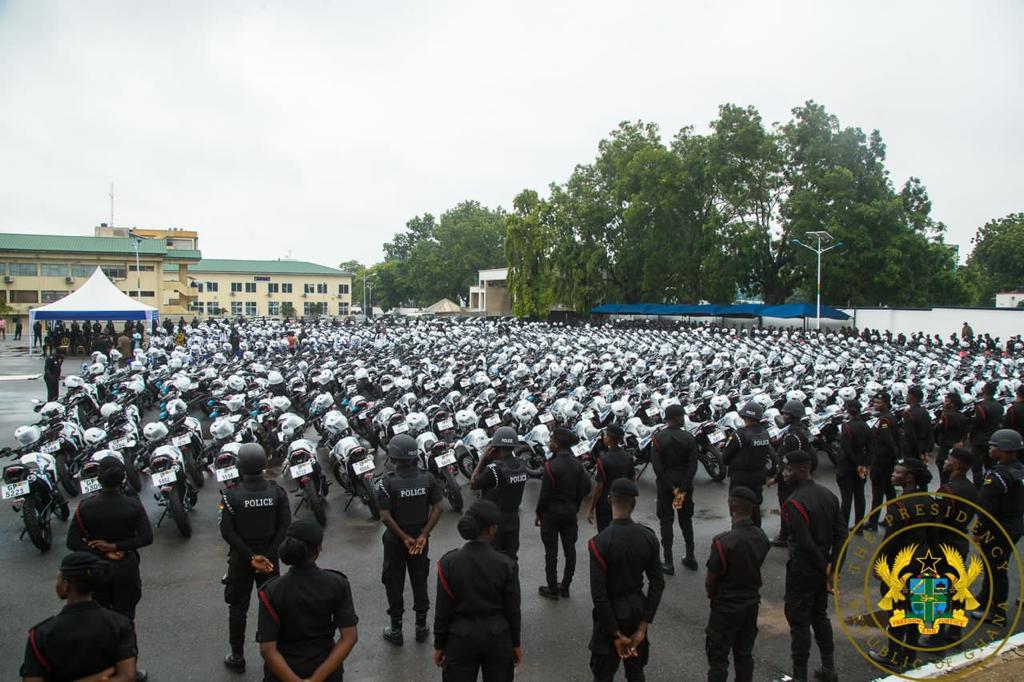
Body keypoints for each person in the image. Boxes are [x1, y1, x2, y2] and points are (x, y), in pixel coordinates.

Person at [257, 520, 359, 682]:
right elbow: (349, 637)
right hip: (326, 670)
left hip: (282, 673)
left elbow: (268, 649)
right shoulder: (337, 583)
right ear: (318, 550)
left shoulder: (271, 591)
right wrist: (316, 679)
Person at [220, 443, 292, 673]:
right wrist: (267, 554)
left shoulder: (231, 496)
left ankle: (237, 656)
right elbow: (284, 526)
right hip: (270, 560)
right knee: (271, 607)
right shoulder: (277, 492)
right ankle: (273, 654)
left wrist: (251, 556)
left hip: (242, 560)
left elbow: (227, 532)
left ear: (239, 465)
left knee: (238, 608)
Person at [433, 500, 522, 681]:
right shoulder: (506, 564)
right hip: (497, 637)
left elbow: (443, 609)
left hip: (460, 638)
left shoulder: (448, 563)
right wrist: (515, 643)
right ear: (491, 530)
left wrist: (439, 644)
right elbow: (512, 609)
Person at [588, 479, 665, 682]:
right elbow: (658, 583)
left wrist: (615, 633)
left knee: (603, 674)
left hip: (610, 616)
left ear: (609, 500)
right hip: (638, 611)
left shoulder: (600, 542)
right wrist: (643, 626)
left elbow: (599, 594)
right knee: (636, 671)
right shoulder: (648, 537)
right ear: (634, 504)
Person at [21, 552, 140, 682]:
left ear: (66, 585)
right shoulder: (120, 624)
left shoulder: (40, 635)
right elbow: (127, 676)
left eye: (59, 579)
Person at [780, 450, 846, 682]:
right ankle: (829, 669)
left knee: (799, 622)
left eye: (788, 469)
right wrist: (833, 568)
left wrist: (826, 568)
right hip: (823, 566)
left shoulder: (794, 503)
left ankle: (800, 676)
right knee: (820, 616)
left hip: (803, 569)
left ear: (802, 470)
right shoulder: (829, 495)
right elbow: (841, 535)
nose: (784, 473)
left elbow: (805, 543)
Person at [66, 456, 153, 624]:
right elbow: (146, 537)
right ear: (122, 478)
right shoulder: (133, 504)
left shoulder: (85, 506)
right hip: (127, 568)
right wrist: (116, 547)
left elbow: (73, 542)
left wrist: (102, 550)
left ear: (99, 479)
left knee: (100, 620)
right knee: (126, 618)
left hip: (97, 568)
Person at [378, 433, 444, 645]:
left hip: (396, 540)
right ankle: (421, 627)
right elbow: (438, 507)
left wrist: (404, 537)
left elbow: (385, 516)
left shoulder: (386, 482)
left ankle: (396, 630)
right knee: (420, 579)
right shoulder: (428, 478)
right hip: (420, 540)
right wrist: (422, 536)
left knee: (393, 582)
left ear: (393, 456)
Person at [868, 458, 931, 672]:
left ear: (910, 478)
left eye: (898, 472)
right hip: (925, 562)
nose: (893, 475)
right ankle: (909, 655)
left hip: (902, 565)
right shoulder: (929, 500)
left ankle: (893, 656)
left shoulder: (899, 506)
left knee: (897, 611)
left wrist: (880, 563)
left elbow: (891, 540)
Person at [705, 486, 770, 682]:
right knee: (744, 654)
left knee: (718, 659)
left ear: (731, 506)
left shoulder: (723, 542)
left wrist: (714, 596)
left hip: (726, 606)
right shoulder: (761, 537)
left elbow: (711, 581)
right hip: (750, 604)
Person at [921, 448, 978, 648]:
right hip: (959, 541)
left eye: (950, 459)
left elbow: (937, 520)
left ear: (958, 465)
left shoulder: (948, 490)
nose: (945, 460)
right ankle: (954, 631)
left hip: (944, 543)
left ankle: (935, 638)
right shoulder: (971, 488)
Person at [970, 429, 1024, 622]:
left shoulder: (997, 476)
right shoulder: (1019, 469)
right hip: (1015, 524)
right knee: (993, 566)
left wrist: (977, 531)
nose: (990, 449)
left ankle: (997, 612)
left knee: (996, 570)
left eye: (994, 446)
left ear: (1004, 449)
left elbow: (987, 510)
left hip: (998, 529)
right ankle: (985, 598)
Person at [536, 427, 591, 599]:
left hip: (551, 515)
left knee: (551, 552)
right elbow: (586, 487)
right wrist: (574, 502)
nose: (549, 443)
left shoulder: (550, 467)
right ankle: (565, 586)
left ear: (558, 444)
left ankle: (552, 588)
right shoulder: (577, 465)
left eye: (551, 440)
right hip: (570, 513)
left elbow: (544, 495)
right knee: (570, 550)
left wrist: (539, 513)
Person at [650, 404, 698, 574]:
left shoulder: (658, 438)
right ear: (675, 418)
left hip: (665, 486)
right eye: (682, 416)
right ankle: (690, 557)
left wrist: (671, 488)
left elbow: (656, 466)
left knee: (666, 522)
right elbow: (693, 465)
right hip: (684, 485)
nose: (684, 419)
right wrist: (683, 488)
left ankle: (668, 562)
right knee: (686, 521)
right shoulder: (689, 438)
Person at [469, 426, 529, 561]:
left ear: (495, 446)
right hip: (513, 519)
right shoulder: (522, 465)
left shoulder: (493, 469)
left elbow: (473, 484)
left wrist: (483, 460)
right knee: (511, 557)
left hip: (494, 522)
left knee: (493, 559)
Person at [721, 401, 774, 528]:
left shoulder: (739, 434)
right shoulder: (765, 433)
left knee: (738, 510)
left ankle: (739, 538)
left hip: (740, 479)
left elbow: (725, 458)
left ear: (744, 416)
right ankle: (757, 536)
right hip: (758, 477)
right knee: (755, 509)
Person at [770, 400, 814, 547]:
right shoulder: (803, 431)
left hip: (789, 478)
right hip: (801, 475)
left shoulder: (792, 436)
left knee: (787, 507)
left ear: (793, 415)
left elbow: (787, 461)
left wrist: (777, 478)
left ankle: (785, 535)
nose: (782, 415)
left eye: (785, 413)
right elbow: (812, 456)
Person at [587, 424, 635, 532]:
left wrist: (591, 508)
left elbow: (599, 487)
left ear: (609, 438)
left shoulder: (603, 459)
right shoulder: (628, 457)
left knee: (605, 532)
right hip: (623, 500)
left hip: (606, 502)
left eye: (605, 435)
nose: (603, 437)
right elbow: (632, 479)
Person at [865, 392, 899, 532]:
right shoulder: (884, 417)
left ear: (885, 403)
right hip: (886, 460)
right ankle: (891, 518)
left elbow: (887, 439)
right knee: (889, 491)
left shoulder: (885, 420)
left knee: (878, 492)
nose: (876, 405)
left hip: (881, 461)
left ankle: (873, 522)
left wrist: (894, 456)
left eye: (879, 403)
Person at [836, 400, 870, 531]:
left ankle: (843, 526)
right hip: (861, 464)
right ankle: (859, 525)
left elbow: (846, 448)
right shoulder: (866, 426)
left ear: (848, 410)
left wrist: (856, 464)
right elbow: (870, 448)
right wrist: (864, 464)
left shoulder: (846, 426)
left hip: (847, 466)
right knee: (860, 495)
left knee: (846, 498)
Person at [970, 382, 1004, 484]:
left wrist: (971, 436)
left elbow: (976, 424)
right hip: (993, 440)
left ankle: (979, 488)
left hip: (980, 441)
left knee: (977, 468)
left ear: (984, 391)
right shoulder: (999, 406)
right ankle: (989, 484)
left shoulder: (981, 407)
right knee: (991, 467)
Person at [934, 392, 969, 485]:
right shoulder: (963, 416)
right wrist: (961, 442)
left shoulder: (946, 416)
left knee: (944, 475)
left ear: (952, 403)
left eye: (946, 401)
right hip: (956, 447)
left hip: (945, 448)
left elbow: (936, 429)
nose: (944, 403)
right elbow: (965, 432)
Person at [901, 386, 933, 461]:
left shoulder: (908, 413)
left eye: (908, 395)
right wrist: (925, 451)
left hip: (912, 449)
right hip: (923, 446)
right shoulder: (925, 412)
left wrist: (919, 453)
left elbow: (910, 435)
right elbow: (929, 432)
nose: (906, 397)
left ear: (912, 397)